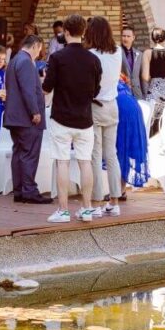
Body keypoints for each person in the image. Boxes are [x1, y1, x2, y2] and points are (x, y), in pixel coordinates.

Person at [42, 14, 101, 224]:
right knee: (85, 162)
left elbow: (47, 87)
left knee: (63, 163)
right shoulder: (93, 59)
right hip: (85, 118)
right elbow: (96, 90)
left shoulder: (57, 58)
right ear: (83, 32)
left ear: (65, 32)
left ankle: (63, 210)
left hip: (61, 118)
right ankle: (87, 209)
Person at [4, 34, 50, 204]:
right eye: (40, 49)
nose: (39, 53)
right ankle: (29, 190)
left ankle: (20, 191)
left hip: (15, 117)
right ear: (35, 45)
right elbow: (28, 89)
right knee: (29, 154)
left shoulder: (15, 60)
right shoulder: (25, 62)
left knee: (19, 153)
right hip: (26, 117)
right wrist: (35, 111)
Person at [85, 16, 122, 217]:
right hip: (112, 105)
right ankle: (115, 201)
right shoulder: (118, 52)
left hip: (95, 105)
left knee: (95, 155)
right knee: (112, 154)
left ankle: (97, 202)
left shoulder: (90, 55)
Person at [115, 73, 149, 195]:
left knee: (117, 149)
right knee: (124, 149)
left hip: (119, 107)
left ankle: (116, 190)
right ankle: (121, 190)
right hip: (132, 106)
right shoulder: (116, 69)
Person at [141, 27, 165, 133]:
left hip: (155, 89)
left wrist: (153, 80)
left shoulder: (148, 53)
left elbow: (145, 76)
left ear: (152, 38)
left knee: (153, 120)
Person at [120, 26, 143, 98]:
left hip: (137, 92)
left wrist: (144, 93)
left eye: (128, 36)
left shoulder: (139, 54)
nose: (125, 38)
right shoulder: (117, 53)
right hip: (123, 91)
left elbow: (141, 75)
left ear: (133, 38)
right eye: (124, 36)